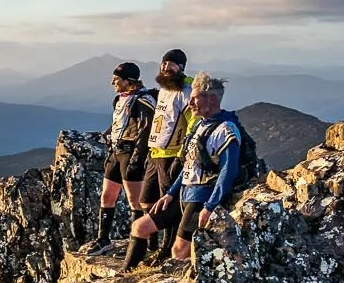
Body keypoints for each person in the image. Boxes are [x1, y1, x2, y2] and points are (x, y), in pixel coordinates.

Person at [132, 73, 242, 264]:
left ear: (212, 99)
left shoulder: (226, 130)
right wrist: (170, 193)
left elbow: (227, 172)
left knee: (179, 251)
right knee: (139, 227)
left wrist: (210, 206)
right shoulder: (199, 126)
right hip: (183, 194)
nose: (190, 103)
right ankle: (128, 274)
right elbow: (191, 163)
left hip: (200, 199)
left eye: (194, 98)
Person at [83, 60, 156, 255]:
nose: (112, 83)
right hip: (116, 152)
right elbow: (117, 124)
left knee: (136, 202)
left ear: (127, 81)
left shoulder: (143, 100)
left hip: (131, 153)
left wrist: (137, 160)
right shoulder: (119, 99)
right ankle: (103, 239)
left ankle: (138, 243)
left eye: (116, 79)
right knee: (108, 195)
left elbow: (145, 132)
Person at [129, 48, 193, 269]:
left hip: (172, 155)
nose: (166, 67)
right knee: (146, 200)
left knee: (167, 203)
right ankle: (154, 244)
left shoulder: (185, 91)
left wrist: (183, 155)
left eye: (172, 64)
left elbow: (193, 124)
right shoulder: (163, 90)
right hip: (155, 154)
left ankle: (166, 249)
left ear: (182, 68)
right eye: (164, 63)